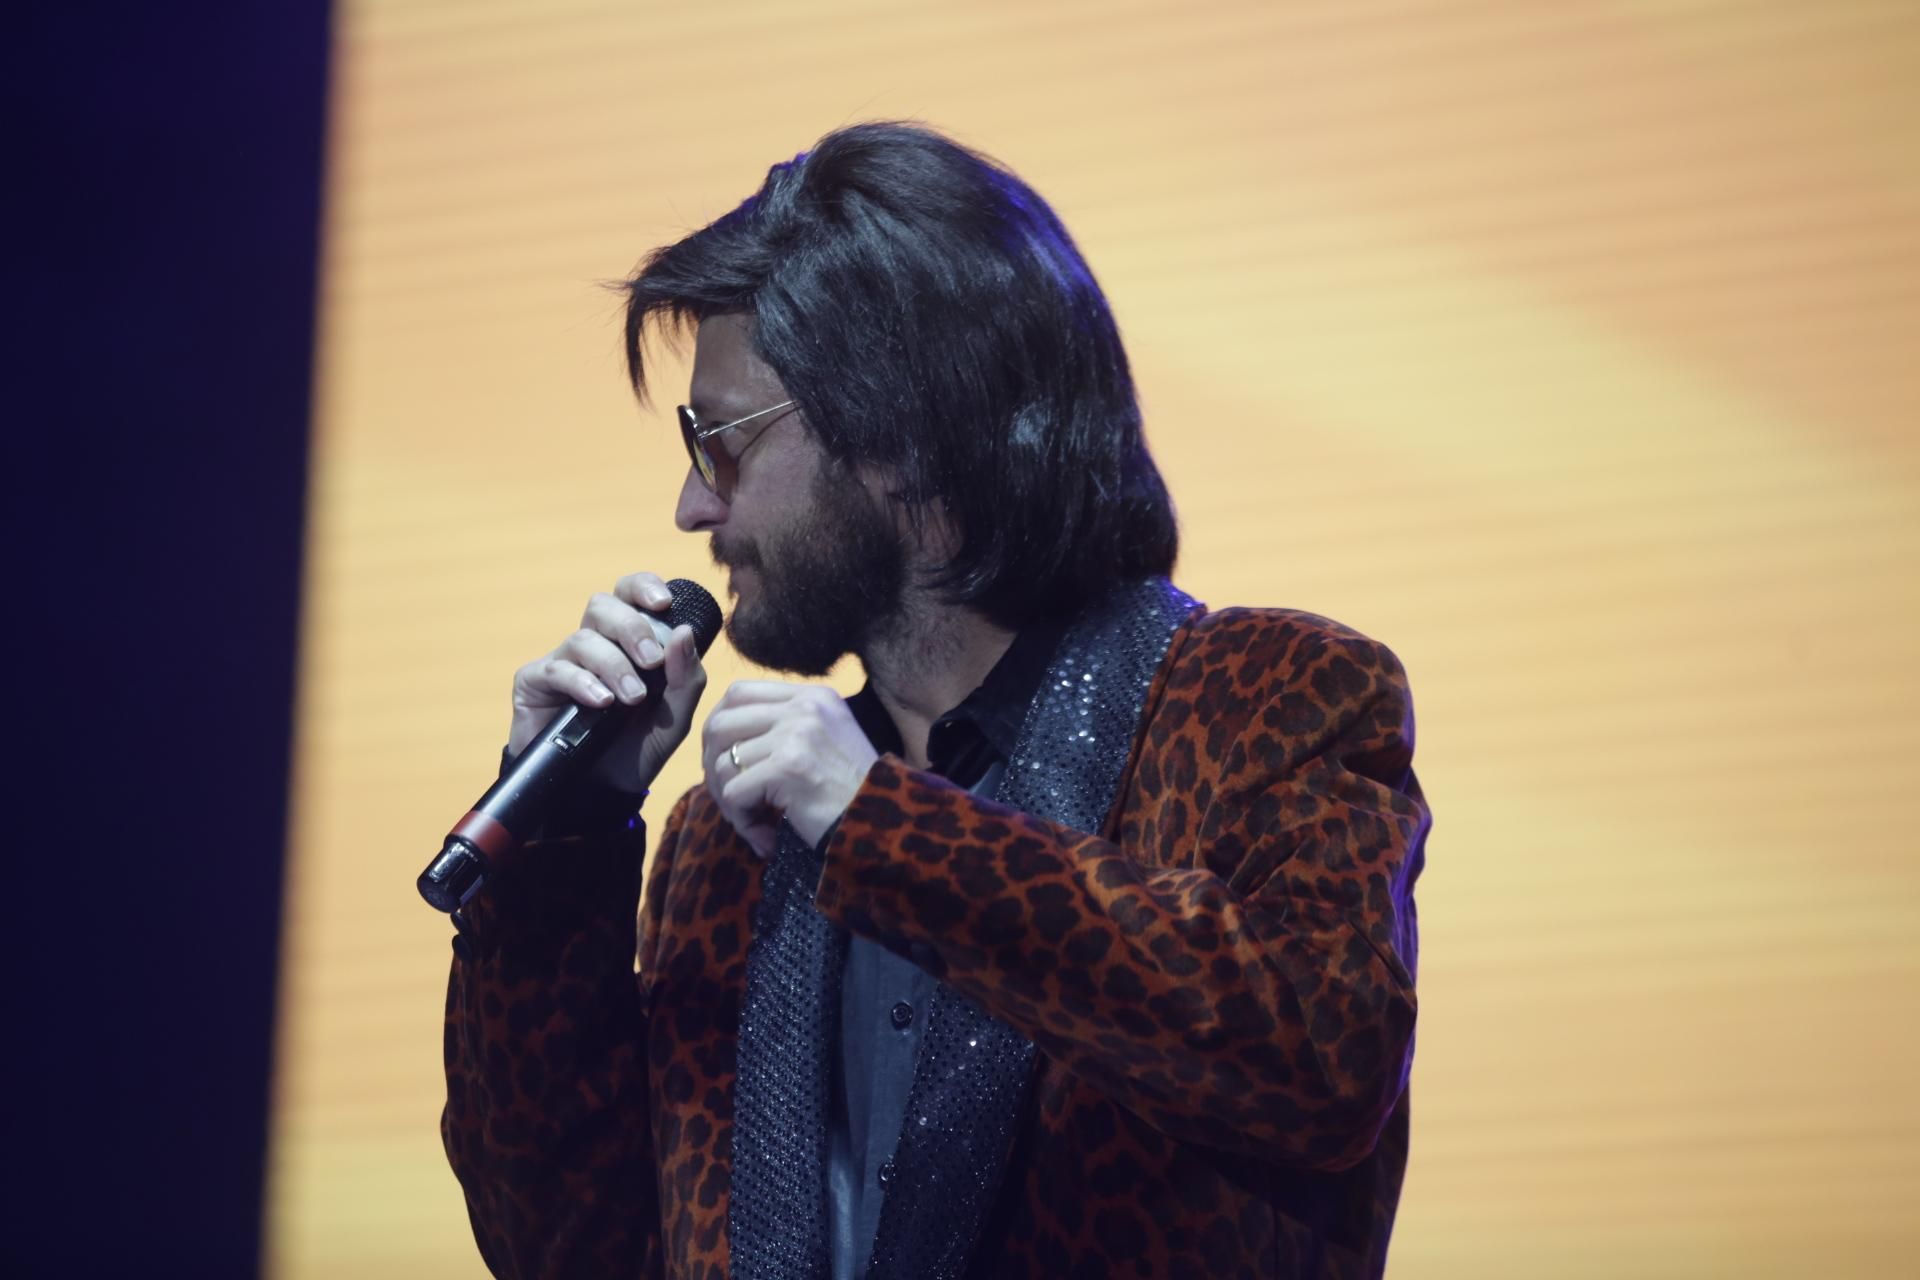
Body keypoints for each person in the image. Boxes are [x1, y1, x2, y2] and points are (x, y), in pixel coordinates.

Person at [440, 122, 1428, 1280]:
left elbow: (1320, 1058)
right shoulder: (731, 842)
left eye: (720, 441)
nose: (693, 509)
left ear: (902, 435)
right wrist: (564, 848)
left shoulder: (1264, 696)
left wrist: (881, 827)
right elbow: (567, 1249)